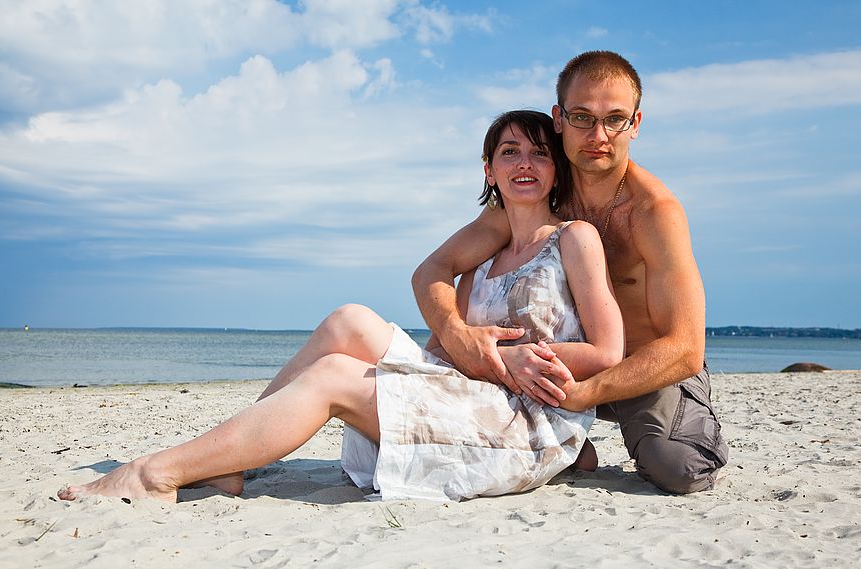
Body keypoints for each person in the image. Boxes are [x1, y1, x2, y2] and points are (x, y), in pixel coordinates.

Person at [58, 110, 623, 504]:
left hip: (523, 420)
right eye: (510, 152)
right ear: (489, 169)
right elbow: (431, 286)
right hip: (469, 386)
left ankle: (155, 474)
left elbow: (607, 350)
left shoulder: (573, 238)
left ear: (556, 168)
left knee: (334, 378)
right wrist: (452, 336)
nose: (524, 163)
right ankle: (230, 464)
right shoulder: (486, 245)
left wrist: (529, 354)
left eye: (539, 153)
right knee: (348, 319)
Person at [411, 51, 729, 494]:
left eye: (615, 119)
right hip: (551, 367)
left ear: (635, 124)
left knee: (677, 468)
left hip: (642, 369)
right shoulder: (536, 195)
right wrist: (457, 334)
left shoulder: (655, 213)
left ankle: (630, 429)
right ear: (559, 118)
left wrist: (587, 394)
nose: (598, 135)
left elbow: (686, 349)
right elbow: (434, 269)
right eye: (582, 117)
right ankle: (568, 446)